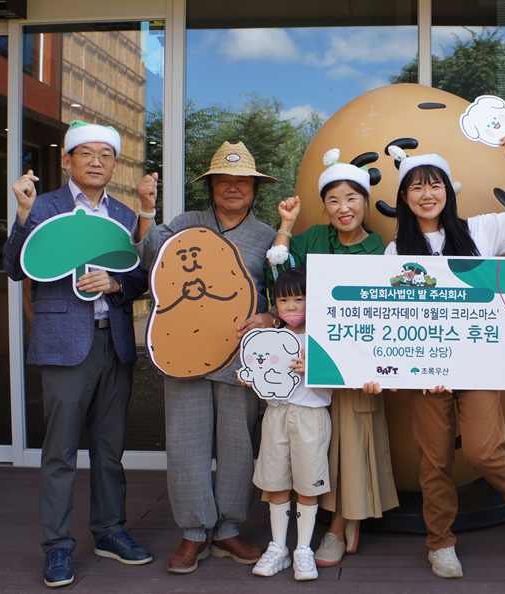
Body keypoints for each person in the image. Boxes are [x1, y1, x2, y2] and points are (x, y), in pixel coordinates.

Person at [384, 135, 505, 579]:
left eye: (435, 184)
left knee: (480, 449)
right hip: (426, 374)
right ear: (403, 197)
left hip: (476, 364)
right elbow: (394, 322)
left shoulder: (481, 230)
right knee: (434, 461)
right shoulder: (395, 253)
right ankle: (441, 544)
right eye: (416, 187)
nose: (427, 194)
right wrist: (418, 366)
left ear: (448, 191)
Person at [3, 120, 153, 587]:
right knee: (61, 451)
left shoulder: (127, 214)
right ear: (67, 159)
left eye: (105, 155)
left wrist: (114, 283)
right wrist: (23, 215)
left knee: (110, 449)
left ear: (114, 164)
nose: (96, 162)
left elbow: (142, 277)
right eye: (85, 153)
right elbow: (13, 268)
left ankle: (110, 531)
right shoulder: (42, 206)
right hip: (64, 344)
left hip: (115, 341)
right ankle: (57, 546)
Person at [132, 141, 279, 573]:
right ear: (211, 185)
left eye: (242, 181)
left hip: (240, 358)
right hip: (184, 351)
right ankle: (194, 533)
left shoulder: (269, 237)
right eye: (224, 180)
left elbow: (283, 294)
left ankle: (230, 529)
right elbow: (147, 260)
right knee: (185, 443)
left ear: (254, 188)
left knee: (238, 445)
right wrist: (145, 208)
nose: (233, 187)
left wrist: (270, 315)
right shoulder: (186, 225)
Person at [265, 152, 398, 568]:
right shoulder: (309, 240)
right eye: (334, 200)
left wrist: (378, 369)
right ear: (324, 205)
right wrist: (287, 225)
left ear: (365, 201)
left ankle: (339, 526)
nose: (344, 208)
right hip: (306, 367)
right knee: (312, 446)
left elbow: (388, 317)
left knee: (351, 447)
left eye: (352, 198)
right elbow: (279, 277)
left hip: (356, 367)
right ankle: (300, 531)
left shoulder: (383, 250)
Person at [237, 268, 333, 581]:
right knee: (275, 481)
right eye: (283, 300)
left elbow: (342, 376)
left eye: (299, 299)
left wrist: (316, 366)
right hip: (276, 414)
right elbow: (260, 369)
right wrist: (251, 377)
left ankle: (303, 549)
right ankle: (278, 547)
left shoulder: (326, 336)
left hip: (310, 416)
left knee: (308, 484)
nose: (291, 307)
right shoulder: (270, 339)